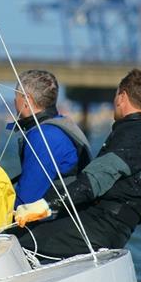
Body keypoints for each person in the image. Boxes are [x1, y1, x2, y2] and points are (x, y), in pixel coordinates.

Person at [14, 69, 141, 259]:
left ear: (122, 96)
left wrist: (44, 206)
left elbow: (89, 184)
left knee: (19, 241)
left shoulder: (130, 136)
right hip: (116, 227)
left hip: (101, 227)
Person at [11, 70, 91, 207]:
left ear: (26, 101)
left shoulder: (44, 136)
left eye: (16, 96)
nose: (13, 101)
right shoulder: (60, 123)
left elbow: (26, 200)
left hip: (61, 220)